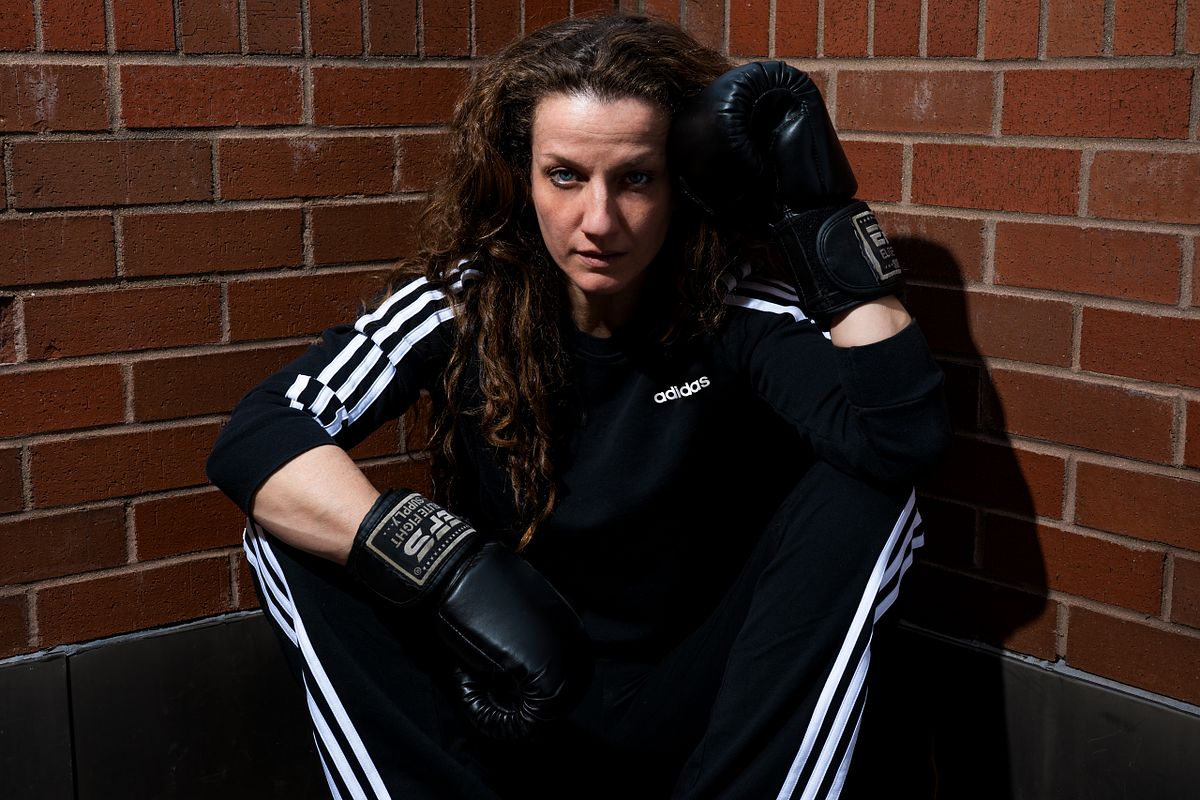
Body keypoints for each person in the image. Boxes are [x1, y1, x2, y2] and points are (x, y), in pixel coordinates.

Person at [206, 13, 950, 799]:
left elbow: (902, 439)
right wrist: (445, 568)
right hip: (512, 695)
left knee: (872, 495)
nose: (599, 222)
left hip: (699, 703)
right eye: (565, 176)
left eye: (636, 179)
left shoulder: (733, 308)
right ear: (521, 177)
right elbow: (261, 432)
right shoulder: (464, 303)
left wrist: (818, 212)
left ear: (680, 182)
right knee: (287, 531)